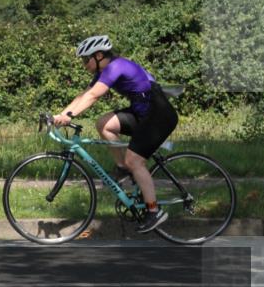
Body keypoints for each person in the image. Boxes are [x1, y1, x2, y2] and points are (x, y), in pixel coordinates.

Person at [52, 35, 179, 233]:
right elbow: (83, 95)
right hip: (143, 113)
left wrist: (70, 115)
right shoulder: (104, 70)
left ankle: (154, 211)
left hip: (159, 115)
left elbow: (93, 96)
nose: (84, 64)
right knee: (104, 124)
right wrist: (61, 114)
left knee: (135, 161)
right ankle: (123, 168)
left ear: (99, 55)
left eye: (86, 59)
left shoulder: (116, 67)